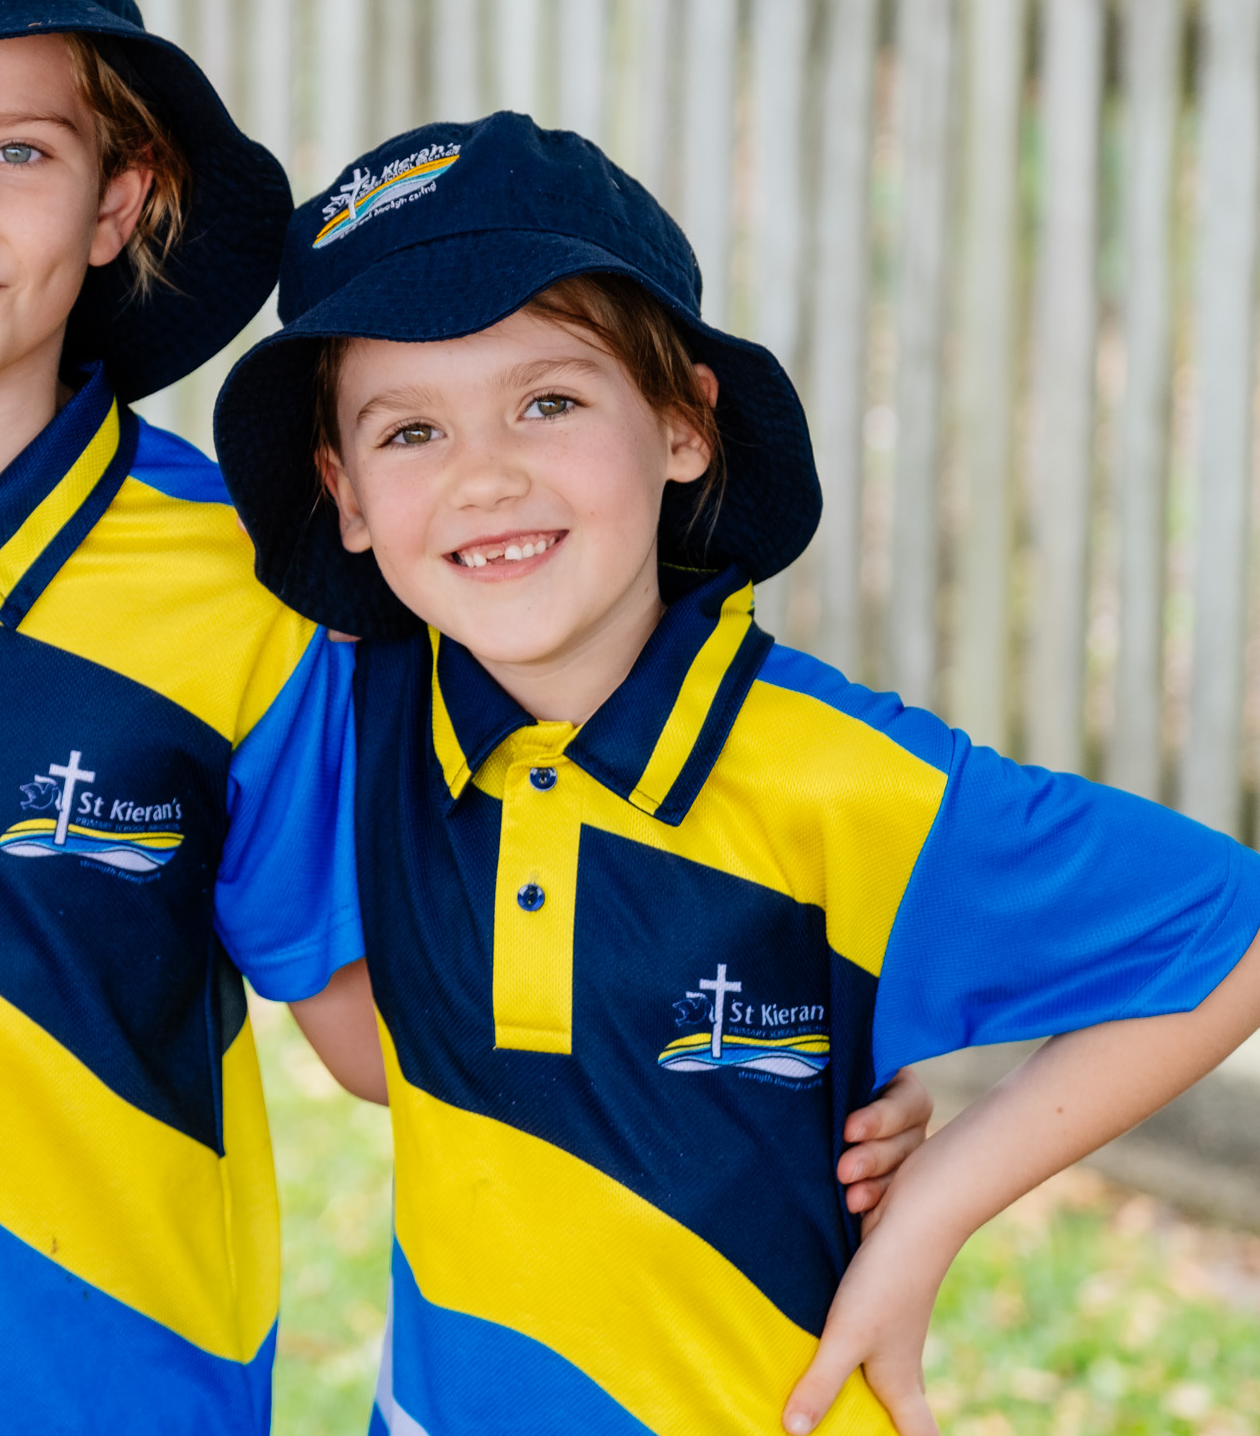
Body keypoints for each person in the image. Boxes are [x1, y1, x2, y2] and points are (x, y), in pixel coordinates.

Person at [0, 0, 932, 1431]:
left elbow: (390, 1031)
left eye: (19, 150)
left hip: (123, 1391)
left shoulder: (249, 587)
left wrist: (794, 1047)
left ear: (122, 197)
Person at [208, 113, 1260, 1436]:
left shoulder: (841, 774)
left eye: (548, 400)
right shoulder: (358, 722)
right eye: (410, 432)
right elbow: (386, 1056)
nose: (485, 476)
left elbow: (1233, 928)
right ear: (344, 493)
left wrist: (930, 1210)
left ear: (683, 425)